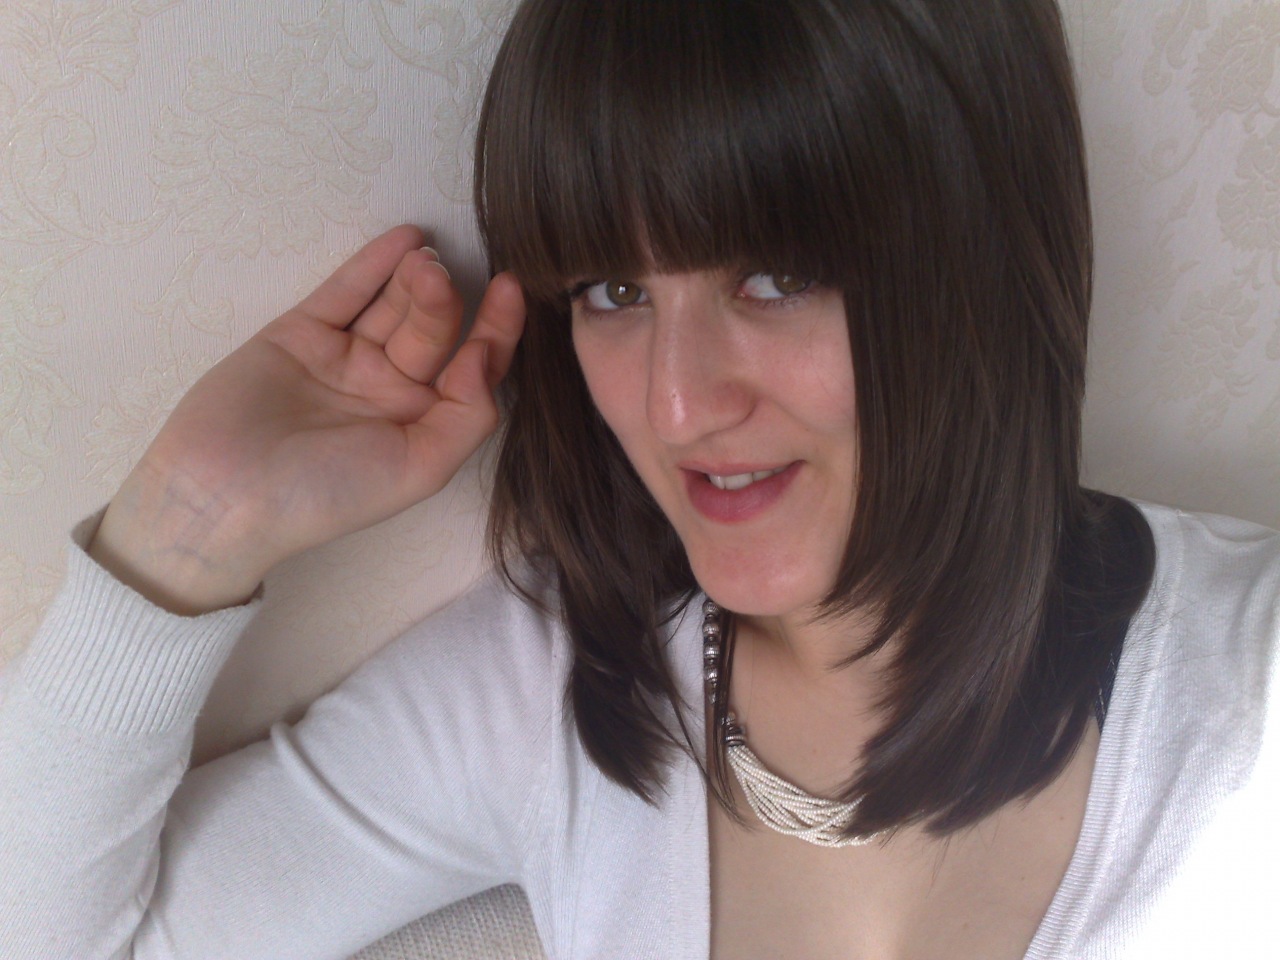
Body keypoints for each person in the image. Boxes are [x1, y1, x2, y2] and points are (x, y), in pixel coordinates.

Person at [2, 0, 1277, 958]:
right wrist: (190, 522)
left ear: (981, 260)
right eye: (612, 291)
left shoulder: (1245, 690)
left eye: (775, 276)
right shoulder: (547, 691)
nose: (674, 406)